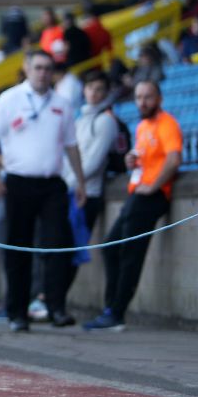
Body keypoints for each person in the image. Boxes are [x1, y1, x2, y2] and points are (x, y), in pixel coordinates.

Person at [0, 49, 87, 332]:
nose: (43, 73)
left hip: (52, 183)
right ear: (27, 68)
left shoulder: (62, 104)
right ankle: (17, 312)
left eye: (48, 68)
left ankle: (56, 307)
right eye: (38, 67)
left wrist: (81, 181)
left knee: (57, 245)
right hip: (18, 181)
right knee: (18, 248)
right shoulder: (10, 99)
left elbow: (72, 145)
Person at [85, 80, 181, 331]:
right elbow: (146, 158)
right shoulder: (142, 126)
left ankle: (116, 313)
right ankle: (110, 309)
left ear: (159, 98)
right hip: (136, 194)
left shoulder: (167, 123)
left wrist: (155, 185)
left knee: (130, 253)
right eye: (138, 97)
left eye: (148, 97)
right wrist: (131, 162)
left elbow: (173, 159)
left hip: (151, 196)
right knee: (111, 248)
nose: (142, 102)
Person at [63, 70, 119, 293]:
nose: (93, 94)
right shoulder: (79, 120)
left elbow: (93, 161)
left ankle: (56, 300)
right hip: (69, 191)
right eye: (90, 88)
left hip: (88, 194)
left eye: (99, 90)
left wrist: (70, 180)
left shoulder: (105, 121)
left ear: (106, 93)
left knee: (72, 250)